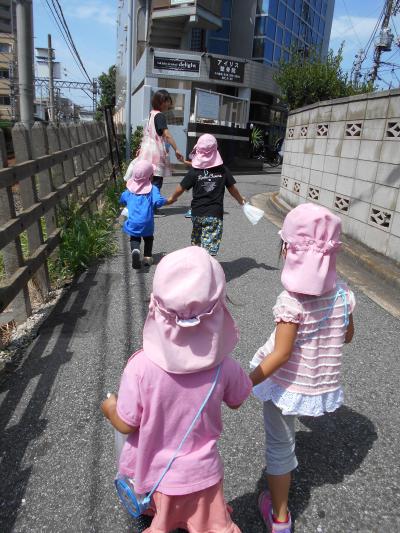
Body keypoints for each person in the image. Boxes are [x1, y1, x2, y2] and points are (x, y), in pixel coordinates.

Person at [101, 246, 252, 532]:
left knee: (163, 520)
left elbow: (126, 423)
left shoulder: (140, 367)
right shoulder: (225, 366)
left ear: (155, 305)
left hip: (159, 475)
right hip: (205, 476)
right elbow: (237, 400)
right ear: (220, 306)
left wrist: (109, 407)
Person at [249, 203, 355, 533]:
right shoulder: (343, 294)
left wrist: (244, 382)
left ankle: (280, 515)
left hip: (283, 384)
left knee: (280, 445)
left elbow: (280, 355)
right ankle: (280, 518)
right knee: (286, 441)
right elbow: (347, 335)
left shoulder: (291, 301)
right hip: (316, 381)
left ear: (289, 250)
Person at [168, 134, 246, 256]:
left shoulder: (195, 171)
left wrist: (172, 198)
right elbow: (232, 189)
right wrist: (241, 200)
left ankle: (197, 268)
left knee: (198, 247)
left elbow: (181, 187)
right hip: (214, 214)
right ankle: (207, 270)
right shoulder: (222, 170)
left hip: (197, 213)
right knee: (208, 251)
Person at [119, 160, 171, 269]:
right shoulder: (153, 189)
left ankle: (135, 250)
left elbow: (122, 198)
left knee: (134, 238)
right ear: (150, 176)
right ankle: (147, 258)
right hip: (147, 222)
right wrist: (166, 201)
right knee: (148, 238)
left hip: (133, 221)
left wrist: (124, 202)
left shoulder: (129, 191)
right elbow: (158, 201)